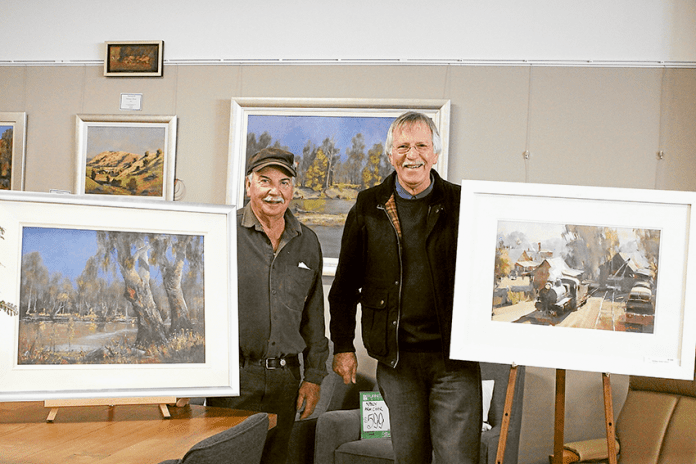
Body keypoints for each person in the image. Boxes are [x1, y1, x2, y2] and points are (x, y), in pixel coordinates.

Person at [329, 112, 482, 463]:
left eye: (421, 146)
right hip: (397, 363)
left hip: (453, 362)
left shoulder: (463, 204)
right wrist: (342, 346)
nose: (412, 155)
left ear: (435, 154)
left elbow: (487, 278)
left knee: (457, 458)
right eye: (403, 146)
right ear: (390, 154)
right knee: (408, 457)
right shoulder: (369, 206)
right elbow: (344, 286)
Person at [208, 147, 329, 464]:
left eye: (284, 182)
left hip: (285, 381)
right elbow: (197, 309)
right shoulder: (222, 232)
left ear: (292, 188)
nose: (275, 192)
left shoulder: (308, 241)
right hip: (234, 380)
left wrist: (313, 377)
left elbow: (314, 319)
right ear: (249, 185)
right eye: (265, 181)